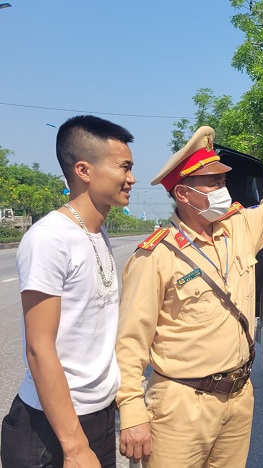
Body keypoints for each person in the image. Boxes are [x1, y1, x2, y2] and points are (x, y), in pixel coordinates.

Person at [115, 115, 263, 467]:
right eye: (213, 183)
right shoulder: (157, 255)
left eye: (223, 180)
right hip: (180, 406)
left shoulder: (240, 228)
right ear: (183, 193)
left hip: (238, 400)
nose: (223, 190)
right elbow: (130, 342)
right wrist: (132, 412)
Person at [1, 115, 136, 468]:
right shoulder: (50, 238)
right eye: (124, 167)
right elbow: (38, 347)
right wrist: (74, 446)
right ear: (84, 170)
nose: (131, 178)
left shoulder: (97, 233)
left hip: (98, 417)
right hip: (50, 429)